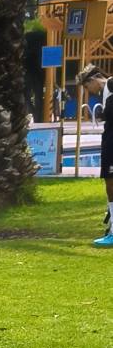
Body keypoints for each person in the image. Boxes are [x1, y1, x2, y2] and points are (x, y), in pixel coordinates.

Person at [75, 64, 113, 248]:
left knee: (111, 183)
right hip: (109, 140)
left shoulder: (111, 85)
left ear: (92, 80)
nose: (88, 92)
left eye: (86, 87)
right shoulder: (106, 92)